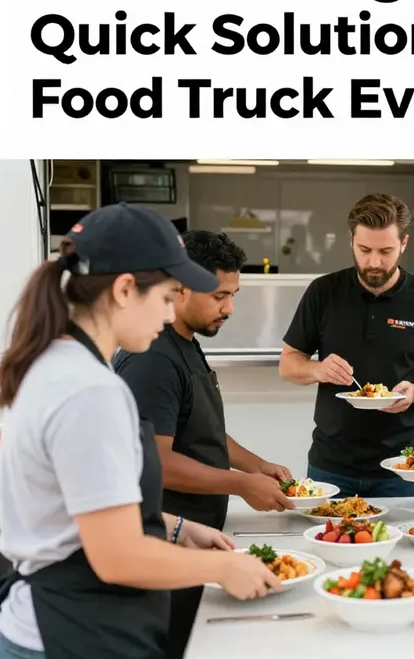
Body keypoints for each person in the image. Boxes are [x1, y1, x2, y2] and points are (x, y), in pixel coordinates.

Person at [0, 204, 280, 659]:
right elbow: (117, 556)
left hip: (55, 626)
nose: (169, 316)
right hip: (70, 634)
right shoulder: (89, 390)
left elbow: (79, 511)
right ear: (125, 289)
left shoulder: (57, 365)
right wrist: (222, 566)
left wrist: (175, 526)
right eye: (166, 298)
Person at [113, 229, 293, 659]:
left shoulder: (187, 344)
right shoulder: (152, 358)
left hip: (198, 534)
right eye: (219, 297)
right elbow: (156, 461)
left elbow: (202, 429)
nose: (229, 308)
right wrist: (240, 485)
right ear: (181, 288)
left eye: (233, 295)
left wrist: (255, 465)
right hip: (167, 541)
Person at [278, 193, 414, 498]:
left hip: (403, 466)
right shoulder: (323, 292)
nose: (374, 262)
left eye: (386, 251)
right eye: (364, 250)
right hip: (330, 464)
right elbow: (288, 364)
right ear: (351, 240)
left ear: (404, 243)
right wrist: (318, 369)